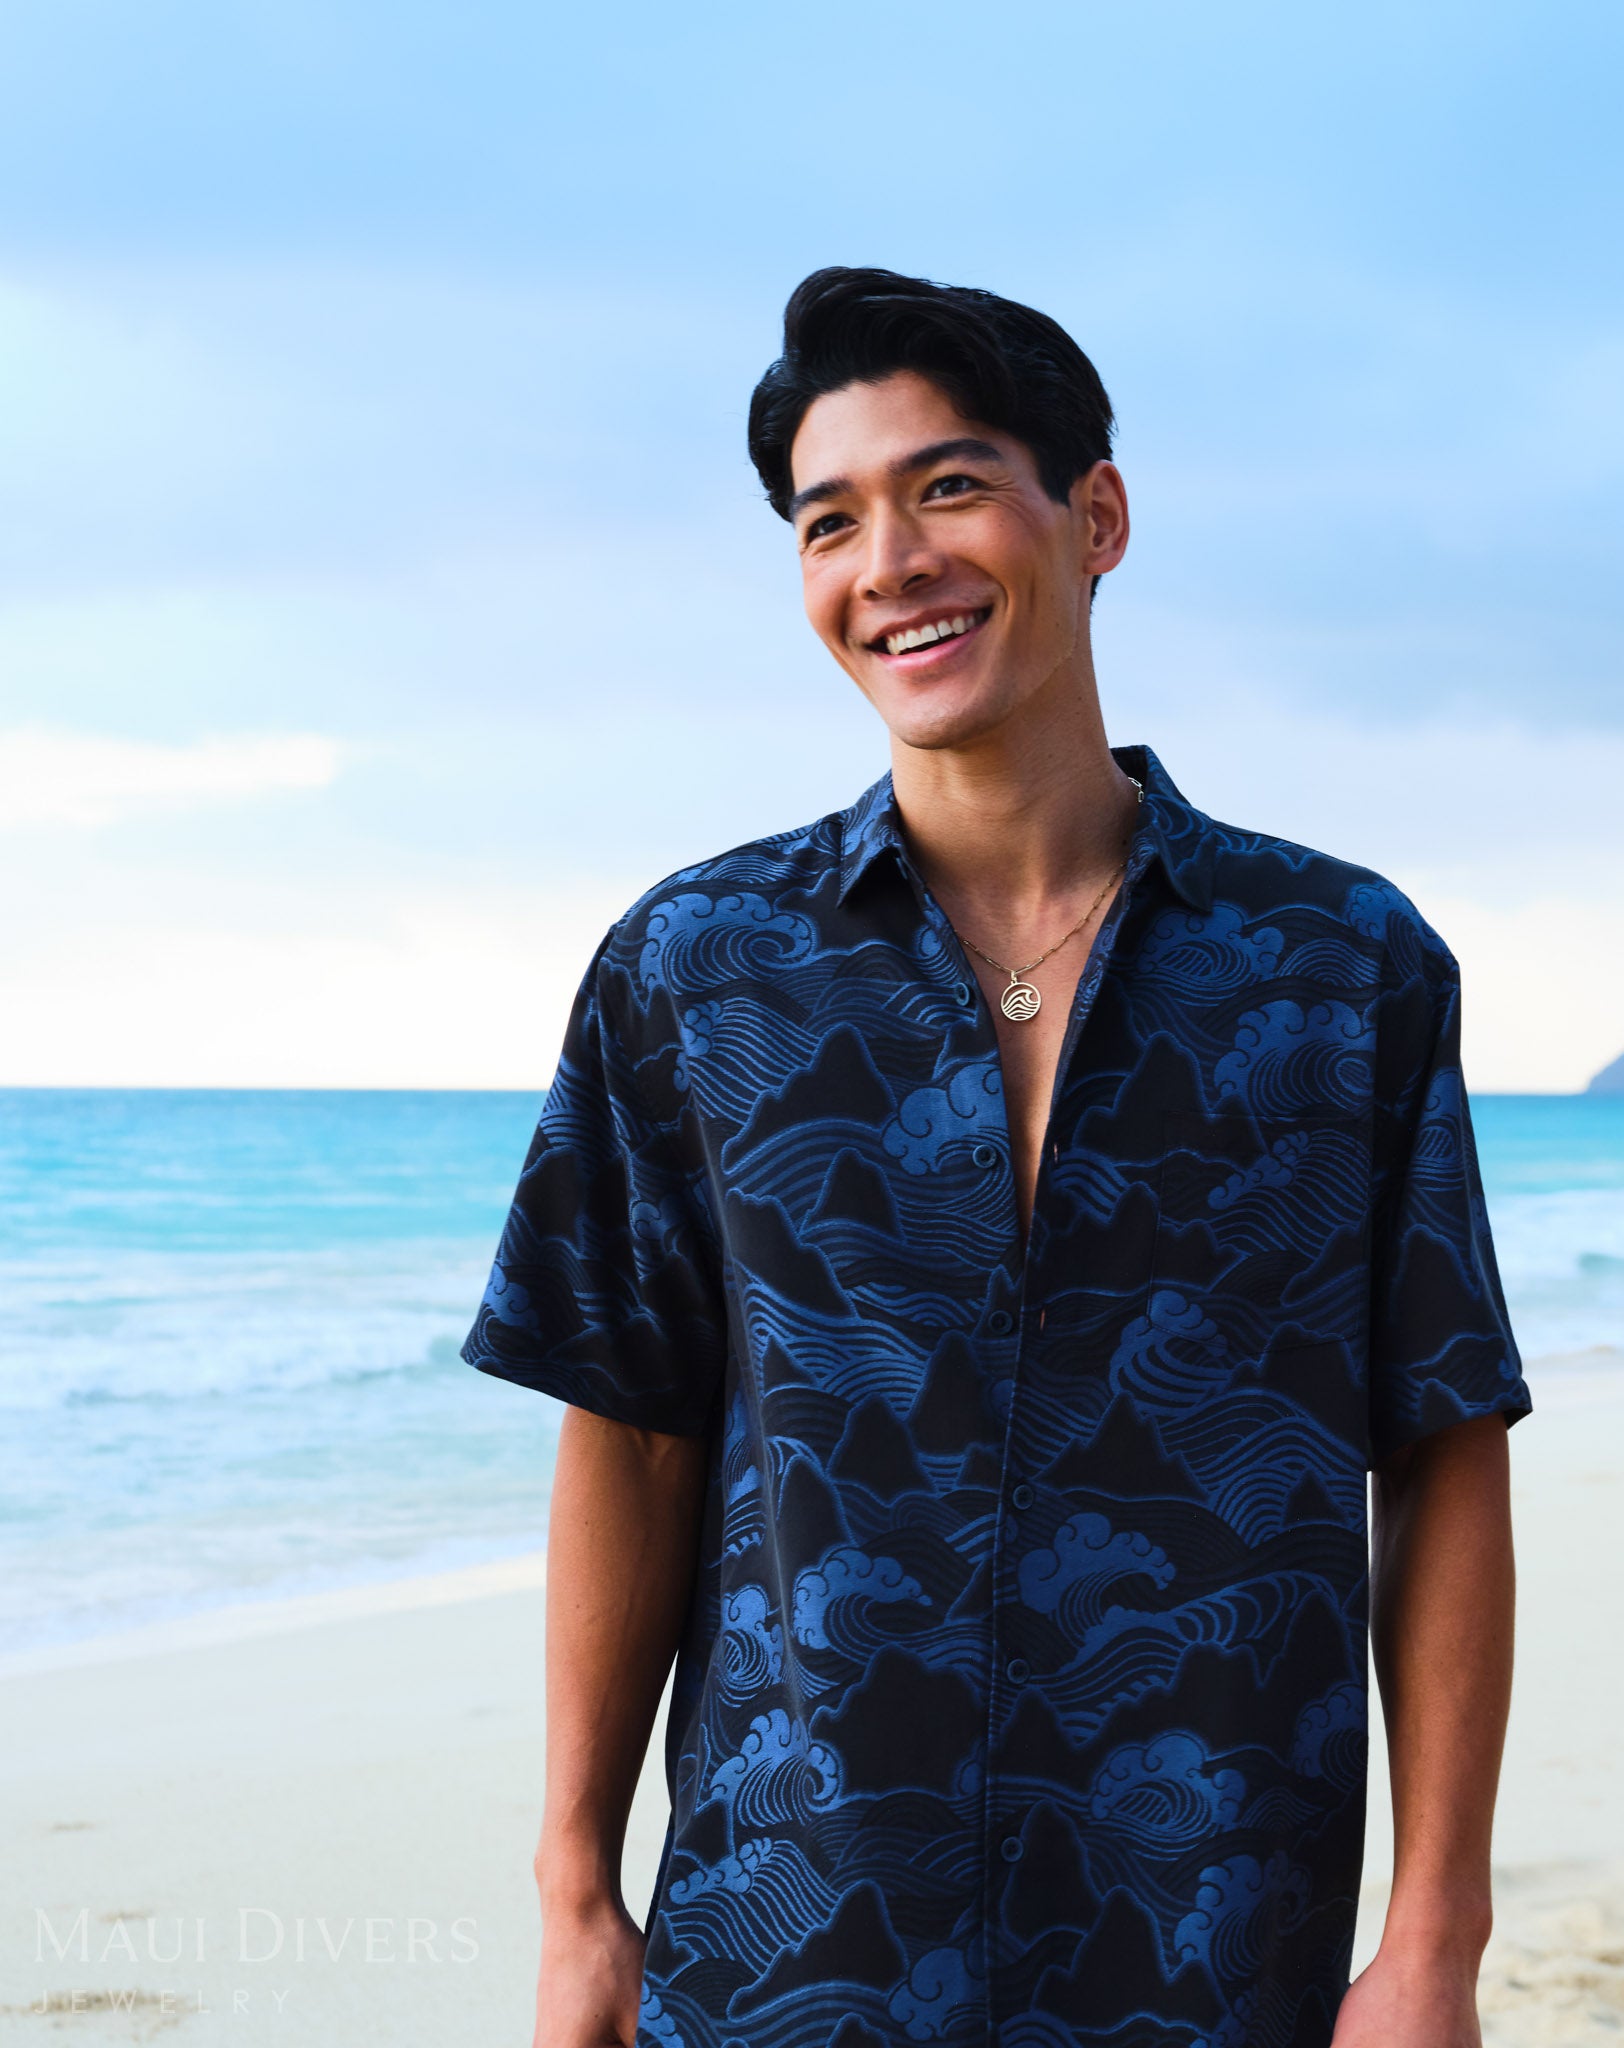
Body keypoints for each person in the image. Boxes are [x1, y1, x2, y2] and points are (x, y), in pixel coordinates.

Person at [465, 266, 1530, 2048]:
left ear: (1094, 514)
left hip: (1211, 1951)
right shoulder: (698, 963)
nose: (889, 561)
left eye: (949, 486)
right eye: (831, 521)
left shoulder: (1346, 966)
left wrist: (1435, 1943)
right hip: (786, 1948)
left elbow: (1438, 1450)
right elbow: (630, 1432)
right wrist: (576, 1901)